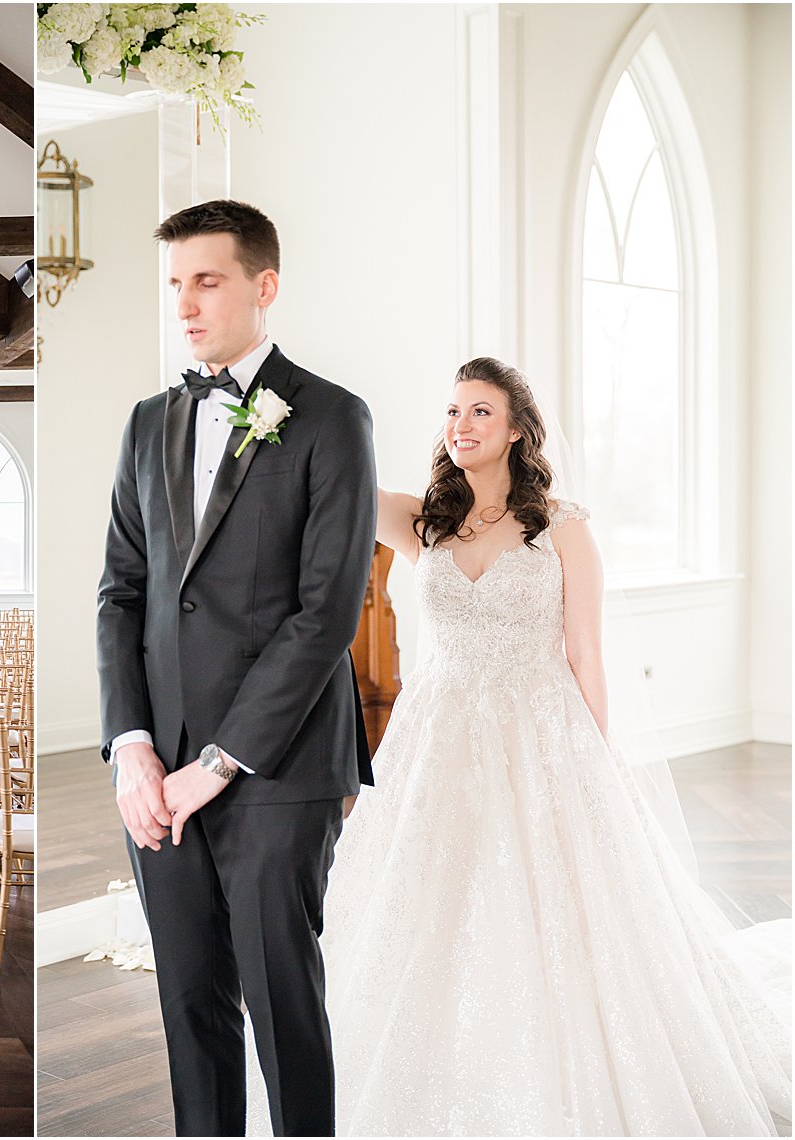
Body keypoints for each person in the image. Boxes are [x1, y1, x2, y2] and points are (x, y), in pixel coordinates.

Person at [319, 357, 791, 1134]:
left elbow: (586, 654)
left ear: (515, 430)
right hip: (438, 736)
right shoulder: (423, 519)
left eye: (479, 411)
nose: (460, 425)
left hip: (540, 731)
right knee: (432, 896)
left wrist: (597, 761)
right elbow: (336, 486)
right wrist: (273, 418)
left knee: (558, 906)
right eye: (452, 411)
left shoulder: (563, 526)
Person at [96, 199, 377, 1137]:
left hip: (277, 769)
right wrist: (134, 751)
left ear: (264, 286)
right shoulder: (146, 423)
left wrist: (215, 766)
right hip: (156, 776)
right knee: (187, 1008)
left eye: (206, 281)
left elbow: (325, 611)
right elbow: (121, 594)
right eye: (175, 284)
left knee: (281, 1011)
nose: (186, 303)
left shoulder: (334, 417)